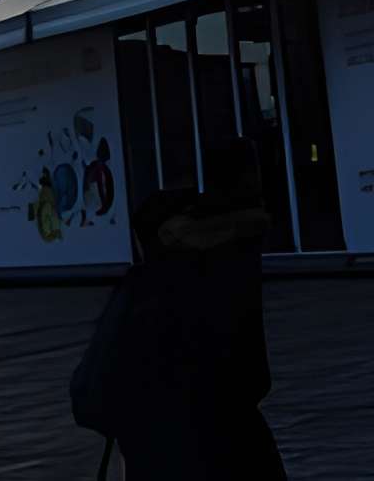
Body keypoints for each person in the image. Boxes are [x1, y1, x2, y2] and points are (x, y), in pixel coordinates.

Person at [72, 144, 285, 477]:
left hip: (156, 451)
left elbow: (89, 393)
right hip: (230, 446)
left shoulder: (139, 289)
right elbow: (252, 376)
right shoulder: (226, 273)